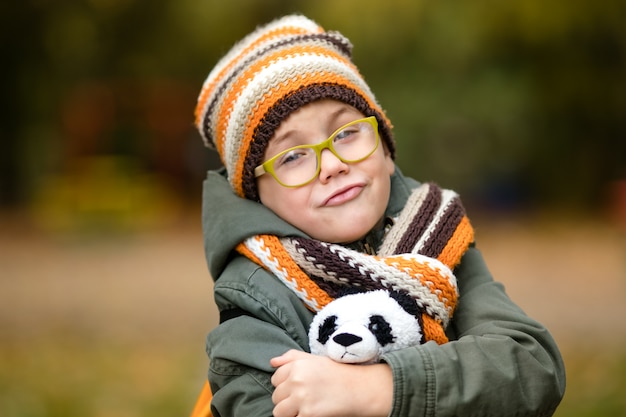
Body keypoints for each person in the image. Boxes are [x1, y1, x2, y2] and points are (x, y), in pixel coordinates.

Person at [190, 14, 566, 417]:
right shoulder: (253, 296)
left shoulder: (439, 240)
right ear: (258, 194)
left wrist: (377, 389)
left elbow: (531, 366)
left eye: (347, 133)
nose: (331, 164)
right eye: (294, 156)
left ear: (386, 151)